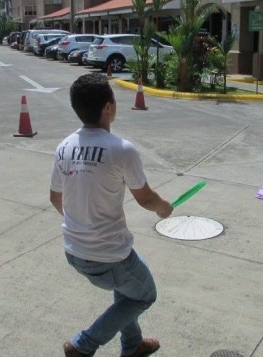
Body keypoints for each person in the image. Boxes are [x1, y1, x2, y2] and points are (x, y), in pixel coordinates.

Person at [50, 73, 173, 357]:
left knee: (126, 291)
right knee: (145, 294)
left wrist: (81, 224)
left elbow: (56, 197)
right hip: (109, 257)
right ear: (108, 107)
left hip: (74, 251)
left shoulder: (64, 146)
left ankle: (132, 345)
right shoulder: (121, 149)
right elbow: (145, 199)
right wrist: (164, 208)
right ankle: (84, 344)